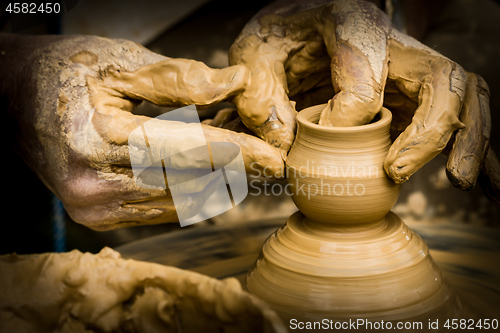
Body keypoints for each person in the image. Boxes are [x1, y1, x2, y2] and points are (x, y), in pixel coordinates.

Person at [0, 0, 496, 233]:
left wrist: (373, 12)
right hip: (108, 60)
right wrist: (12, 78)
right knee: (159, 195)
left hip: (305, 44)